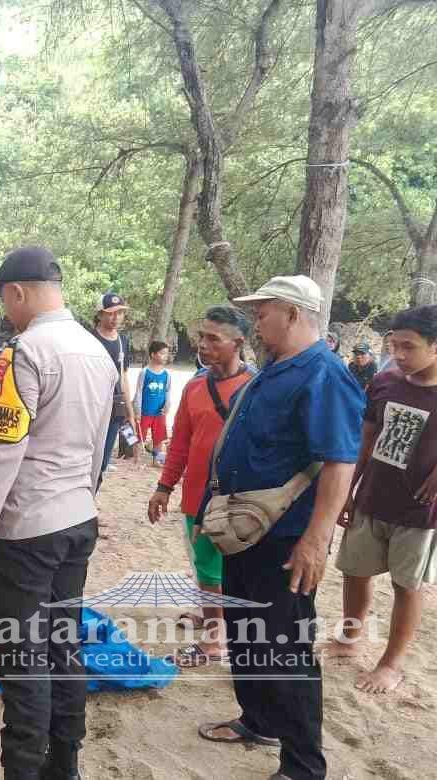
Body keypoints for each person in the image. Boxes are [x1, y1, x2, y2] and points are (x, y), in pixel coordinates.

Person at [0, 246, 116, 780]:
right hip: (77, 518)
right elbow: (99, 443)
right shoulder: (98, 351)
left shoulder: (21, 353)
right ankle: (65, 766)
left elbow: (3, 451)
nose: (5, 312)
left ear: (18, 292)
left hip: (28, 530)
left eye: (4, 301)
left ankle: (23, 769)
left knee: (21, 661)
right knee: (64, 645)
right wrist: (83, 496)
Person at [196, 275, 363, 780]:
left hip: (286, 538)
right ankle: (259, 721)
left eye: (263, 310)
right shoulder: (274, 368)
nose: (256, 320)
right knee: (247, 634)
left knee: (286, 650)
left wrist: (316, 540)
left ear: (292, 313)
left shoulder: (324, 374)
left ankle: (303, 766)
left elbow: (339, 462)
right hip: (244, 530)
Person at [326, 305, 437, 693]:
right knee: (354, 571)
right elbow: (366, 439)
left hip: (420, 511)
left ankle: (391, 664)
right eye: (394, 346)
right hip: (372, 496)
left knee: (407, 586)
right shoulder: (385, 381)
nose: (399, 355)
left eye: (409, 347)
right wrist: (348, 490)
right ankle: (350, 637)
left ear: (435, 346)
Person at [148, 306, 255, 666]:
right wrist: (164, 486)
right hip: (197, 495)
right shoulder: (195, 386)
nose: (203, 345)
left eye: (213, 339)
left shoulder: (256, 388)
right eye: (201, 337)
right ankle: (213, 623)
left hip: (239, 499)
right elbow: (180, 442)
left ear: (238, 343)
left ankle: (214, 642)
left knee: (224, 570)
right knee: (205, 566)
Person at [92, 292, 135, 485]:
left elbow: (124, 376)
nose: (115, 317)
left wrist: (130, 413)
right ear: (100, 314)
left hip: (115, 407)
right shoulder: (89, 338)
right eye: (110, 313)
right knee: (86, 458)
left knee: (102, 461)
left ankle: (92, 496)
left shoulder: (123, 341)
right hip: (92, 405)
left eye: (120, 313)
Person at [133, 340, 172, 465]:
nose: (165, 356)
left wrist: (167, 405)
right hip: (145, 411)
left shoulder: (167, 374)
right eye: (162, 353)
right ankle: (136, 459)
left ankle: (157, 460)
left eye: (166, 354)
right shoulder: (145, 372)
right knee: (140, 436)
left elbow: (168, 391)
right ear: (153, 354)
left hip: (159, 412)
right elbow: (139, 392)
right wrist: (137, 411)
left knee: (159, 438)